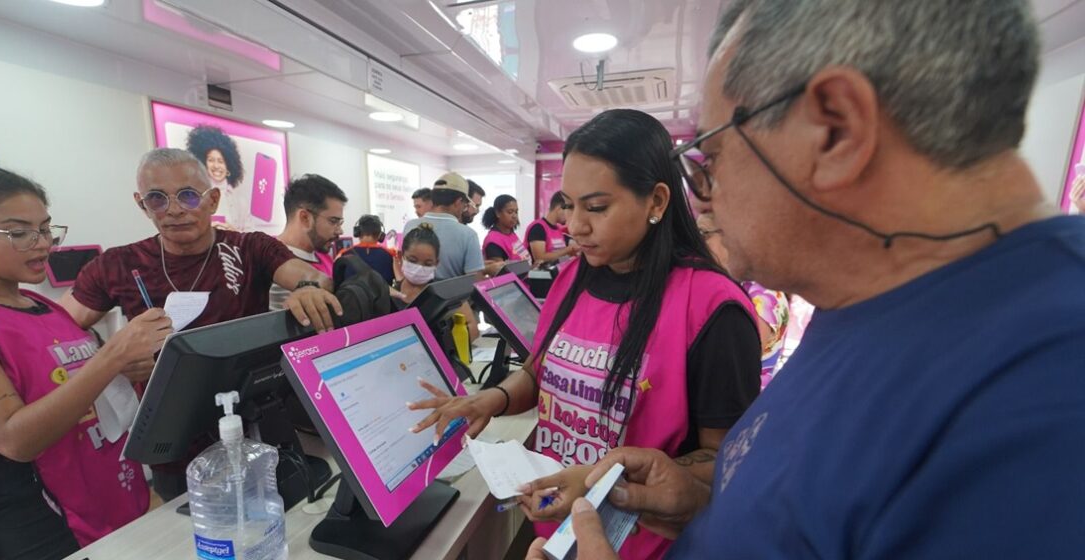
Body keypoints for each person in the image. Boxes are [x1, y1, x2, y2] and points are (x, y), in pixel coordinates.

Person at [530, 1, 1085, 558]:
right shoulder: (865, 303)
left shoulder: (1047, 395)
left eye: (713, 157)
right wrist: (702, 505)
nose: (706, 196)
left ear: (835, 131)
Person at [411, 109, 762, 559]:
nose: (575, 226)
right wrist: (493, 399)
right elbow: (541, 373)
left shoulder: (713, 308)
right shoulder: (573, 278)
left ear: (656, 202)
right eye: (570, 205)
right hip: (558, 532)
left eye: (596, 208)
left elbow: (725, 463)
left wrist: (603, 483)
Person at [0, 150, 173, 559]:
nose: (42, 244)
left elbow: (78, 395)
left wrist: (128, 370)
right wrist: (110, 358)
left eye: (45, 229)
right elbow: (13, 437)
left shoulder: (47, 308)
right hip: (33, 526)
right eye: (17, 232)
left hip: (110, 502)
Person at [59, 148, 340, 500]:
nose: (174, 210)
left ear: (212, 199)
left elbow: (307, 276)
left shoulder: (248, 248)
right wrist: (111, 358)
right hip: (172, 440)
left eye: (188, 196)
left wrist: (308, 289)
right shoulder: (118, 265)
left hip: (255, 425)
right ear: (141, 204)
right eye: (157, 199)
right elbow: (55, 335)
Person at [697, 212, 789, 388]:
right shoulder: (724, 282)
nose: (696, 243)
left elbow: (732, 361)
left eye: (703, 234)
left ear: (731, 235)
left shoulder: (765, 295)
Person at [269, 174, 348, 308]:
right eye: (333, 221)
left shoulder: (325, 258)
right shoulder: (265, 260)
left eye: (340, 223)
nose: (340, 231)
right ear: (305, 218)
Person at [392, 223, 478, 343]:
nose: (419, 268)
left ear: (436, 263)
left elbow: (471, 326)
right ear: (401, 256)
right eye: (412, 260)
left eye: (427, 264)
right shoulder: (390, 295)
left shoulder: (447, 292)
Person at [403, 173, 484, 280]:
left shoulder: (410, 226)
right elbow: (475, 281)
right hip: (453, 296)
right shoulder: (468, 235)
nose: (465, 208)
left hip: (413, 295)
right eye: (465, 204)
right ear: (459, 201)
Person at [185, 126, 247, 231]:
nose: (216, 166)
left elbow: (251, 238)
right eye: (211, 160)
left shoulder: (240, 201)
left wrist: (235, 233)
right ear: (203, 163)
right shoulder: (193, 198)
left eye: (221, 161)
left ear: (229, 165)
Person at [338, 214, 397, 284]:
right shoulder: (391, 255)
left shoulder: (343, 254)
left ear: (357, 232)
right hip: (383, 294)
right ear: (380, 235)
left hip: (352, 294)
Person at [524, 191, 578, 265]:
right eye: (569, 212)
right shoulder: (538, 228)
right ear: (559, 209)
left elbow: (559, 255)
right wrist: (568, 249)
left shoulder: (558, 229)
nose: (569, 216)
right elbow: (540, 258)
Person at [481, 194, 531, 265]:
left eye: (516, 212)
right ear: (498, 213)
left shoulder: (511, 233)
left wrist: (533, 267)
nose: (514, 216)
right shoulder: (493, 241)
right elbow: (500, 272)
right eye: (510, 212)